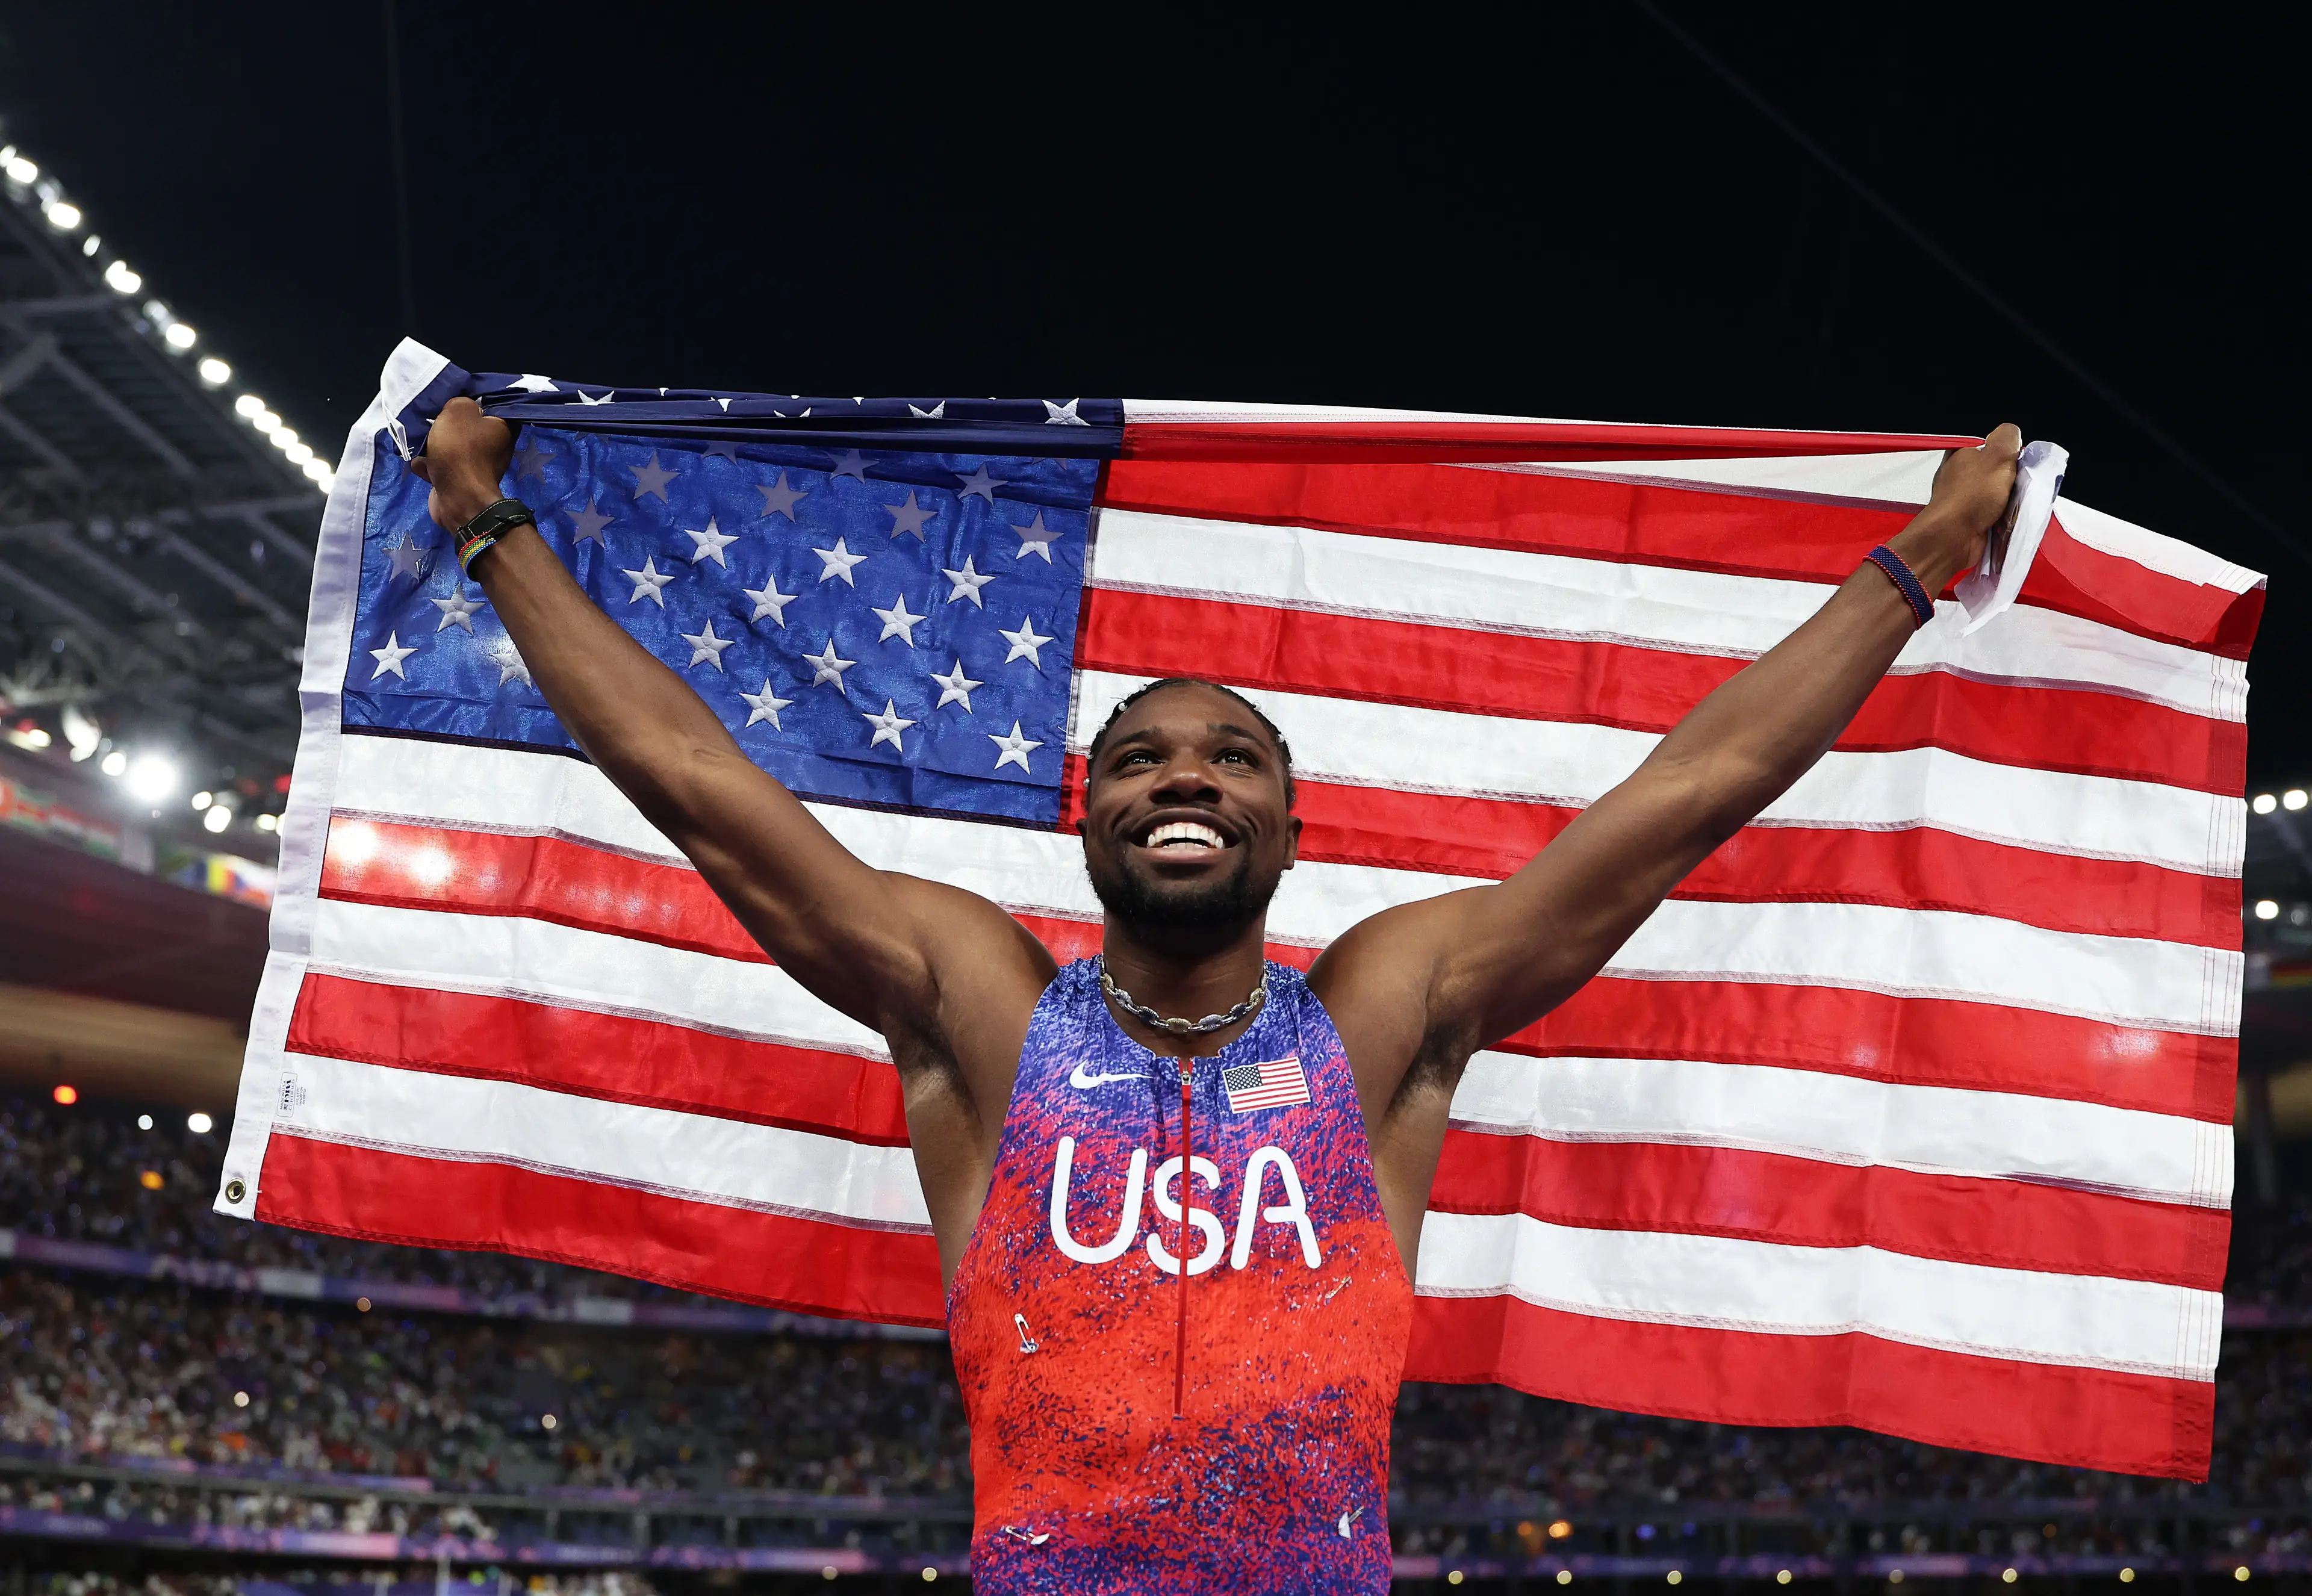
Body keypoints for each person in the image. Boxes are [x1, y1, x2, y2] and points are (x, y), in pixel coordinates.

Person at [417, 400, 2021, 1594]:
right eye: (1139, 756)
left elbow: (1693, 788)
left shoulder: (1384, 1020)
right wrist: (490, 526)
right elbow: (696, 779)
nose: (1185, 774)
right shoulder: (981, 1018)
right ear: (1090, 815)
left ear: (1289, 824)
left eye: (1232, 755)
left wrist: (1920, 562)